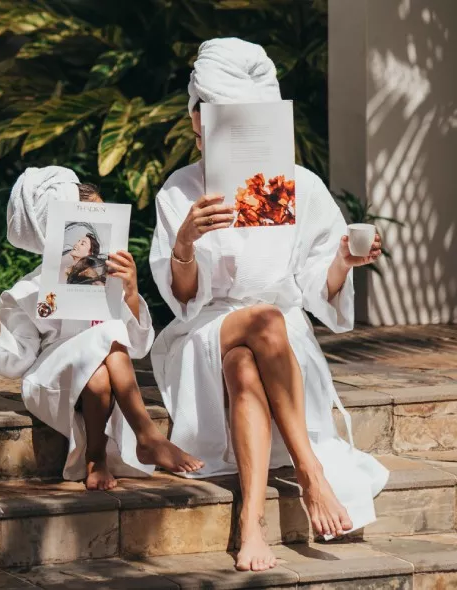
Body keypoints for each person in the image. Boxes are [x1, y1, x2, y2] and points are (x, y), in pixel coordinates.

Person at [149, 38, 389, 572]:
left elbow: (313, 281)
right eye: (205, 117)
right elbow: (183, 301)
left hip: (275, 343)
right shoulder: (179, 190)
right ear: (196, 119)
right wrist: (185, 241)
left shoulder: (297, 185)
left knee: (248, 358)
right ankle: (311, 472)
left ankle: (250, 521)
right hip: (206, 330)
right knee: (260, 322)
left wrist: (346, 265)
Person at [0, 166, 203, 491]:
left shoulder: (107, 280)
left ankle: (95, 459)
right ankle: (146, 435)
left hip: (104, 375)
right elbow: (20, 359)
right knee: (106, 338)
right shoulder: (29, 291)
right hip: (51, 379)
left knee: (103, 362)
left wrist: (130, 293)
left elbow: (137, 345)